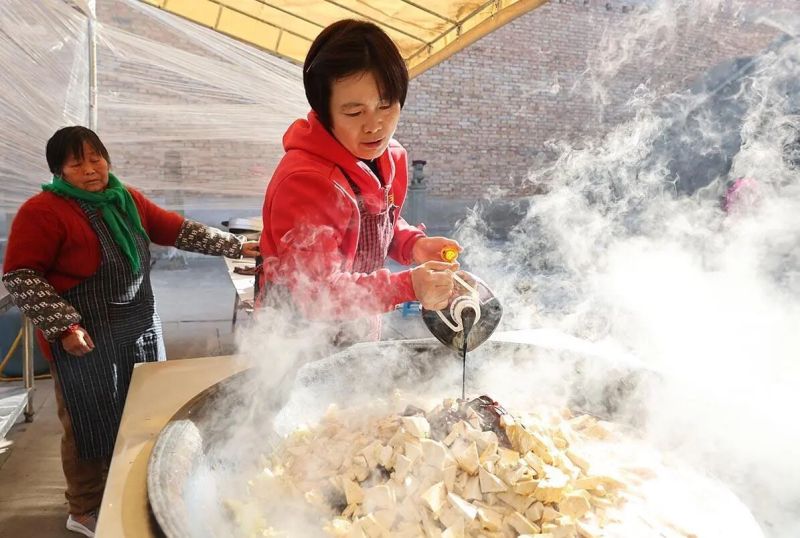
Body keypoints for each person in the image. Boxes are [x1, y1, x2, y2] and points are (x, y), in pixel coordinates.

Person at [1, 126, 259, 537]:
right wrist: (63, 325)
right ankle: (84, 507)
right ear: (59, 171)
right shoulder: (43, 211)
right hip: (85, 339)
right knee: (88, 424)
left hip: (139, 328)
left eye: (96, 158)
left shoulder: (125, 199)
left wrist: (235, 245)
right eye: (77, 163)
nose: (91, 169)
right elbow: (20, 274)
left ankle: (130, 484)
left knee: (141, 411)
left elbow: (176, 229)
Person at [259, 20, 461, 345]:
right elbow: (315, 293)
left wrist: (413, 245)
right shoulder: (306, 182)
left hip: (359, 324)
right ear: (324, 112)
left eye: (385, 105)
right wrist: (408, 285)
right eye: (354, 113)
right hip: (299, 340)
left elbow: (379, 224)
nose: (374, 125)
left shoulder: (390, 156)